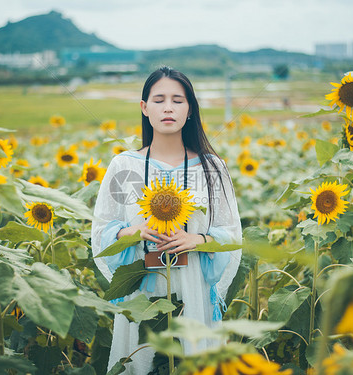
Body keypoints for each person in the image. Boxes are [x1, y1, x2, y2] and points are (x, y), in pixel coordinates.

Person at [91, 66, 242, 374]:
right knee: (141, 358)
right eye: (159, 100)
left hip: (195, 287)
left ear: (190, 110)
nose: (169, 107)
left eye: (178, 100)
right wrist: (130, 232)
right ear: (145, 108)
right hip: (142, 291)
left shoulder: (211, 168)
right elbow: (100, 231)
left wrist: (197, 240)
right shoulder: (123, 166)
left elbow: (231, 235)